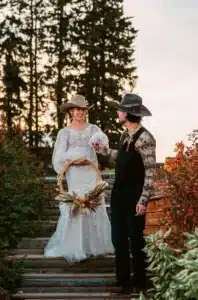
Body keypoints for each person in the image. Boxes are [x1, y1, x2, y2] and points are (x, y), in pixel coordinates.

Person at [94, 93, 156, 295]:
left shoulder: (145, 138)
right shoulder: (124, 136)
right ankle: (123, 282)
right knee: (118, 239)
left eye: (120, 109)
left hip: (135, 197)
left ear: (127, 113)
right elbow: (119, 158)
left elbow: (150, 172)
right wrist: (103, 150)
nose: (118, 112)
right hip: (119, 195)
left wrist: (143, 200)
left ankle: (140, 282)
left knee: (136, 241)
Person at [44, 94, 114, 262]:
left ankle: (94, 245)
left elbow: (103, 146)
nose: (80, 113)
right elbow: (59, 157)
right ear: (71, 111)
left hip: (90, 172)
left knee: (93, 201)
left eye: (82, 110)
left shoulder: (93, 129)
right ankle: (75, 245)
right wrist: (73, 160)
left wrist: (99, 143)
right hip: (74, 172)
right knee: (76, 203)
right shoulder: (64, 132)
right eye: (76, 110)